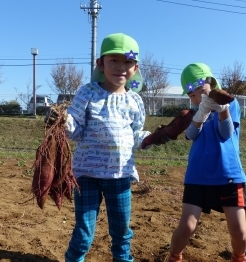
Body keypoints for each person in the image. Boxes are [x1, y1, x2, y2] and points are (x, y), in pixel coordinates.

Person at [53, 33, 152, 262]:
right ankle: (74, 258)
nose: (120, 68)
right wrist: (61, 121)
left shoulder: (135, 100)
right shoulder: (88, 92)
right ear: (101, 64)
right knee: (84, 230)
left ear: (135, 67)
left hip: (120, 175)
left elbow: (136, 133)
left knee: (121, 230)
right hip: (86, 175)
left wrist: (151, 138)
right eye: (113, 61)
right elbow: (75, 129)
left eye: (127, 62)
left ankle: (122, 259)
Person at [167, 63, 246, 262]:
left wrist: (222, 110)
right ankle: (173, 257)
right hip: (198, 174)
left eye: (200, 91)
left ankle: (239, 257)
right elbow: (191, 135)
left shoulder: (231, 103)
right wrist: (201, 113)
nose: (196, 98)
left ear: (210, 83)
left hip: (228, 173)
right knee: (187, 226)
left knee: (239, 231)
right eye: (191, 95)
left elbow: (225, 134)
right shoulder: (193, 111)